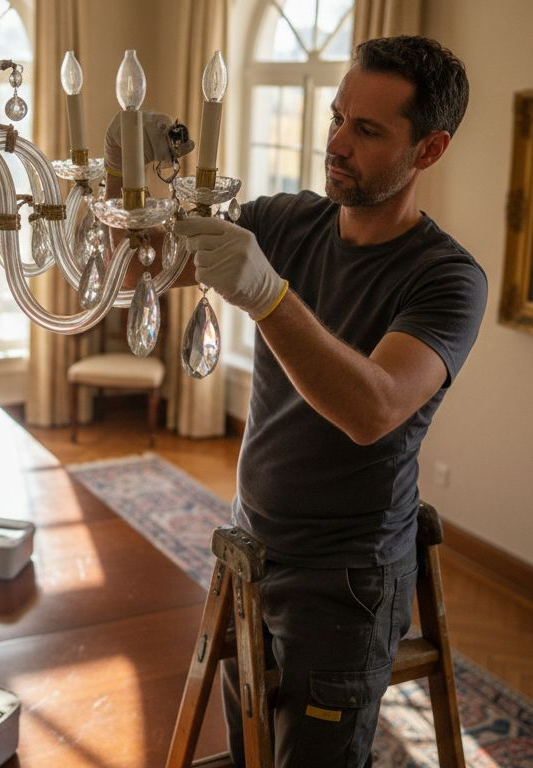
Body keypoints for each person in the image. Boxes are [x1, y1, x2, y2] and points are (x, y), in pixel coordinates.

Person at [107, 35, 485, 767]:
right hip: (252, 548)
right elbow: (136, 274)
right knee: (253, 753)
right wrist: (125, 183)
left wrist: (269, 297)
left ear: (430, 150)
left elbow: (373, 409)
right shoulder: (284, 222)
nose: (336, 142)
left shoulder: (447, 279)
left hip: (346, 584)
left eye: (367, 131)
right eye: (339, 116)